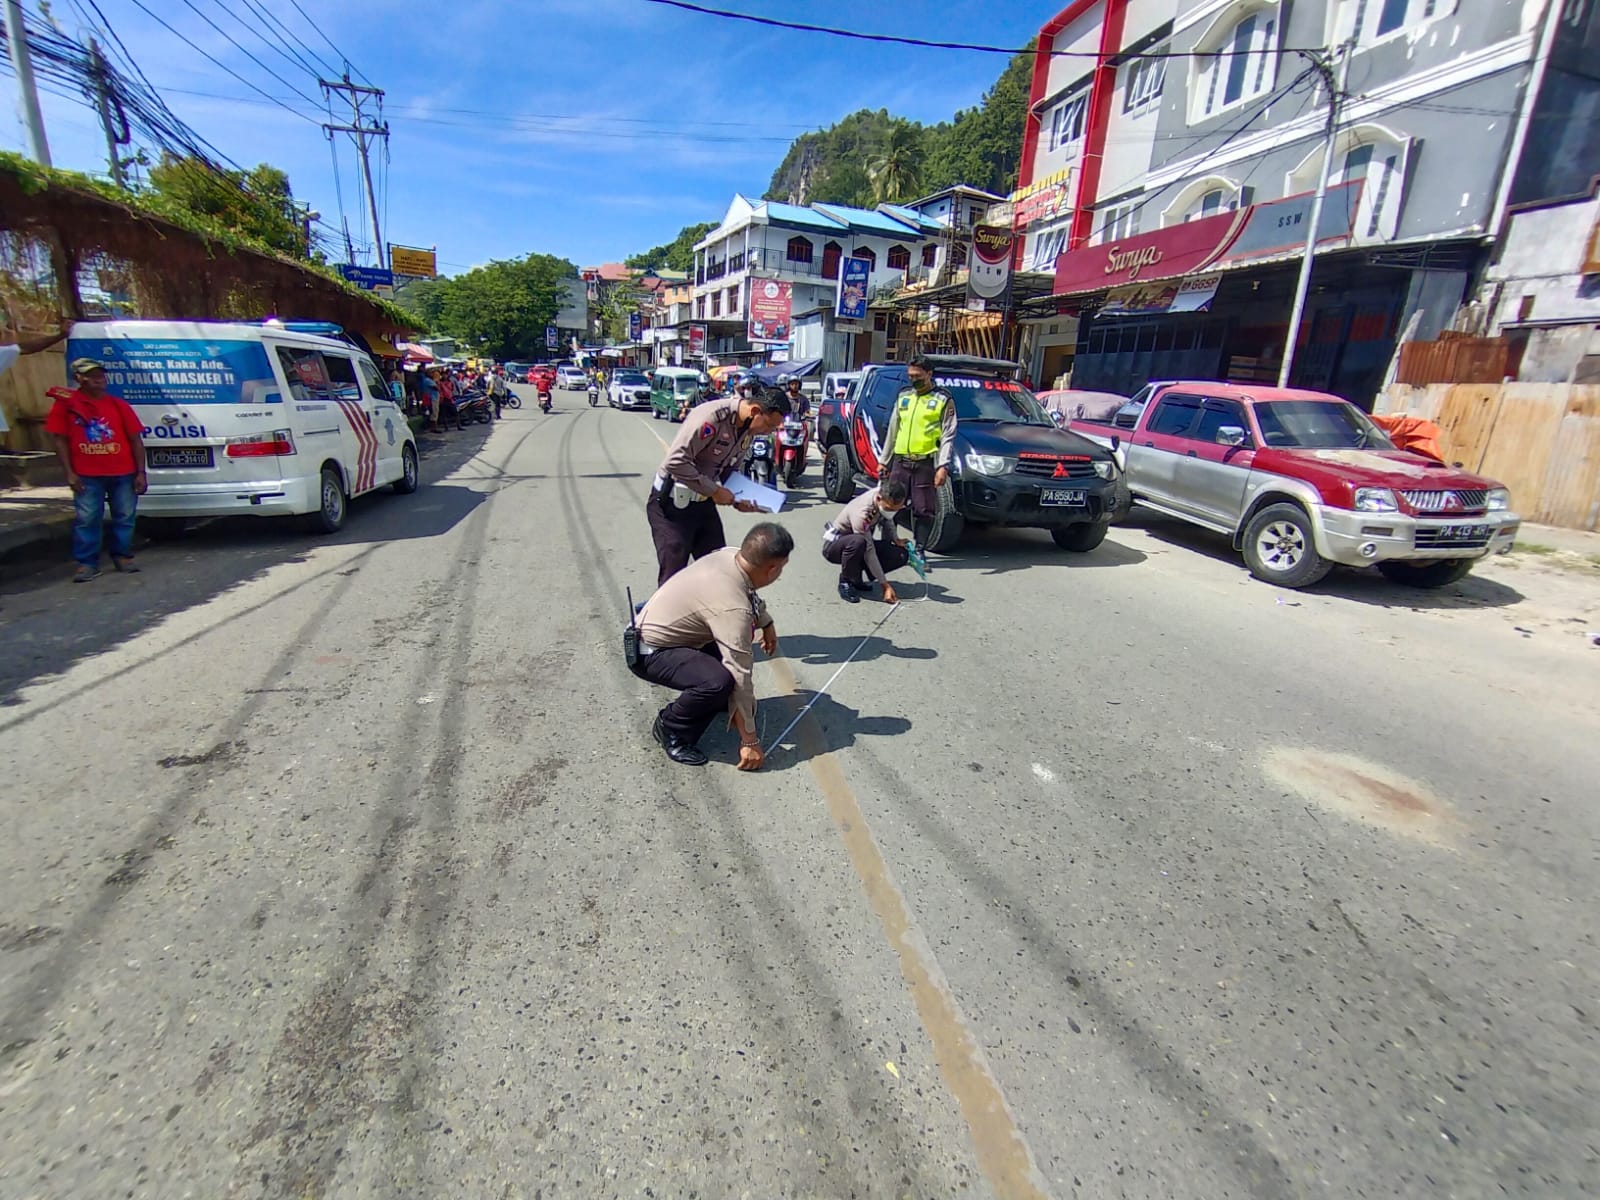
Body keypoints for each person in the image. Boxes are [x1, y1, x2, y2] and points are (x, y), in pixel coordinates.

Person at [629, 522, 792, 769]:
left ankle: (715, 704)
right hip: (649, 651)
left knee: (725, 672)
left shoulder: (731, 555)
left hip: (673, 637)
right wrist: (750, 741)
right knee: (719, 682)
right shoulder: (731, 606)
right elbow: (741, 673)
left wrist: (766, 623)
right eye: (782, 568)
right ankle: (671, 727)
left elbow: (750, 594)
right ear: (772, 569)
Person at [647, 385, 790, 585]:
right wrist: (714, 490)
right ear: (756, 411)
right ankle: (660, 613)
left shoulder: (748, 430)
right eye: (769, 425)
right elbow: (675, 462)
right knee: (674, 572)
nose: (768, 432)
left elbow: (727, 471)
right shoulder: (712, 417)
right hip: (671, 504)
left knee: (718, 567)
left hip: (702, 504)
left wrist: (739, 499)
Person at [45, 357, 148, 582]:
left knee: (124, 516)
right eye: (91, 376)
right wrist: (69, 473)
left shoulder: (118, 405)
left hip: (122, 471)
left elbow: (135, 439)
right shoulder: (67, 406)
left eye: (100, 375)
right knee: (87, 518)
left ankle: (122, 556)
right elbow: (60, 441)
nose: (98, 379)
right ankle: (86, 563)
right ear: (79, 379)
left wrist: (141, 472)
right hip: (86, 474)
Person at [880, 354, 957, 547]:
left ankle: (920, 549)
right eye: (911, 376)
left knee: (924, 509)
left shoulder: (943, 399)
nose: (913, 380)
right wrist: (884, 459)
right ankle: (888, 544)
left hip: (925, 462)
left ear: (929, 374)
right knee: (890, 504)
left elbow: (948, 434)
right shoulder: (904, 395)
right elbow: (893, 428)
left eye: (918, 376)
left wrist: (942, 466)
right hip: (901, 461)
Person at [822, 478, 910, 604]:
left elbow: (888, 519)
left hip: (860, 544)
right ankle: (846, 580)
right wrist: (884, 585)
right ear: (879, 499)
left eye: (895, 509)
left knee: (901, 554)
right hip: (835, 546)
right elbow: (869, 551)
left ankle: (856, 577)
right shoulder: (862, 513)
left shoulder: (883, 499)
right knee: (858, 542)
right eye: (889, 509)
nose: (892, 513)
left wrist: (895, 539)